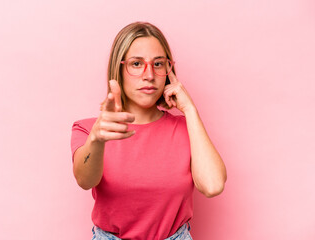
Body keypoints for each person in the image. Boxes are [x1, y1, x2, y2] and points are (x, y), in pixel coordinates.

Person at [71, 22, 227, 240]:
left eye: (158, 64)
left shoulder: (187, 128)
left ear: (168, 71)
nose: (149, 75)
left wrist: (190, 109)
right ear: (119, 69)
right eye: (136, 64)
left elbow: (213, 185)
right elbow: (84, 180)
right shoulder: (88, 130)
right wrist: (97, 140)